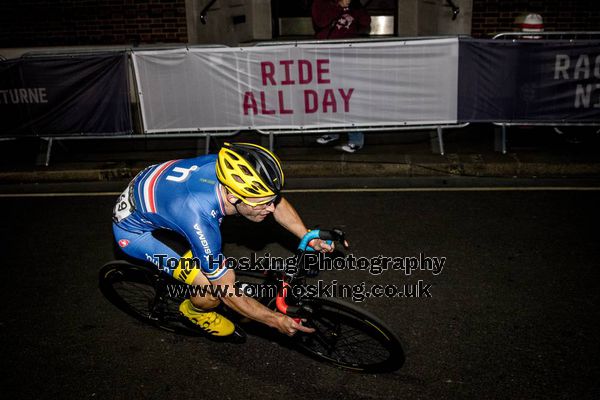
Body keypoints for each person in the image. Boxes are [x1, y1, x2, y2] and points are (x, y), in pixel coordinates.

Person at [112, 142, 335, 337]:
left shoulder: (230, 170)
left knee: (214, 262)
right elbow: (226, 293)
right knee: (210, 290)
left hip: (163, 194)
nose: (271, 207)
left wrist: (307, 236)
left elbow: (274, 201)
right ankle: (194, 312)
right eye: (263, 203)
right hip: (135, 233)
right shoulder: (197, 218)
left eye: (271, 200)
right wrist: (275, 320)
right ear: (232, 196)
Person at [312, 0, 370, 153]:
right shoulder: (321, 3)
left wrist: (354, 7)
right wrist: (339, 8)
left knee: (349, 97)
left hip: (349, 57)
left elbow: (365, 22)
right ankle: (332, 130)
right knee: (329, 95)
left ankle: (356, 138)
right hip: (327, 55)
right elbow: (320, 22)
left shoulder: (354, 4)